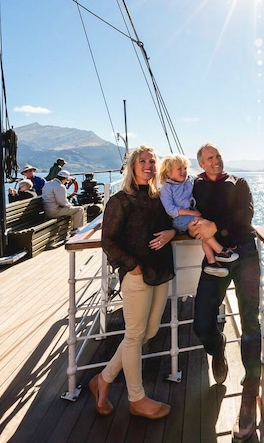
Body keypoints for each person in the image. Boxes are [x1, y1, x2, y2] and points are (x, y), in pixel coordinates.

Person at [87, 145, 175, 420]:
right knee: (135, 335)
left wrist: (172, 232)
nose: (148, 165)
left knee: (147, 332)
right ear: (132, 166)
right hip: (137, 275)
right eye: (143, 161)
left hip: (161, 272)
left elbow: (173, 223)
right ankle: (136, 399)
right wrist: (131, 266)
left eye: (152, 161)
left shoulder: (158, 197)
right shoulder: (120, 200)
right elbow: (108, 241)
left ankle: (103, 379)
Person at [189, 143, 262, 440]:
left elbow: (246, 216)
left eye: (218, 156)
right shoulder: (194, 186)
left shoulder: (239, 183)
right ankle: (217, 348)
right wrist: (180, 229)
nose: (216, 161)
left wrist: (213, 226)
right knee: (202, 323)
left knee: (250, 324)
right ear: (201, 164)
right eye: (209, 158)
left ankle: (248, 397)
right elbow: (181, 212)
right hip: (215, 259)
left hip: (244, 254)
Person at [158, 154, 238, 278]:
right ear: (168, 172)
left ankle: (212, 263)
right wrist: (191, 212)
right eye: (179, 169)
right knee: (202, 226)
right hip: (179, 220)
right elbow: (170, 210)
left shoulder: (189, 180)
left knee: (204, 233)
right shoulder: (167, 188)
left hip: (193, 216)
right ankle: (221, 251)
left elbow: (201, 178)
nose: (183, 171)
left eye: (185, 168)